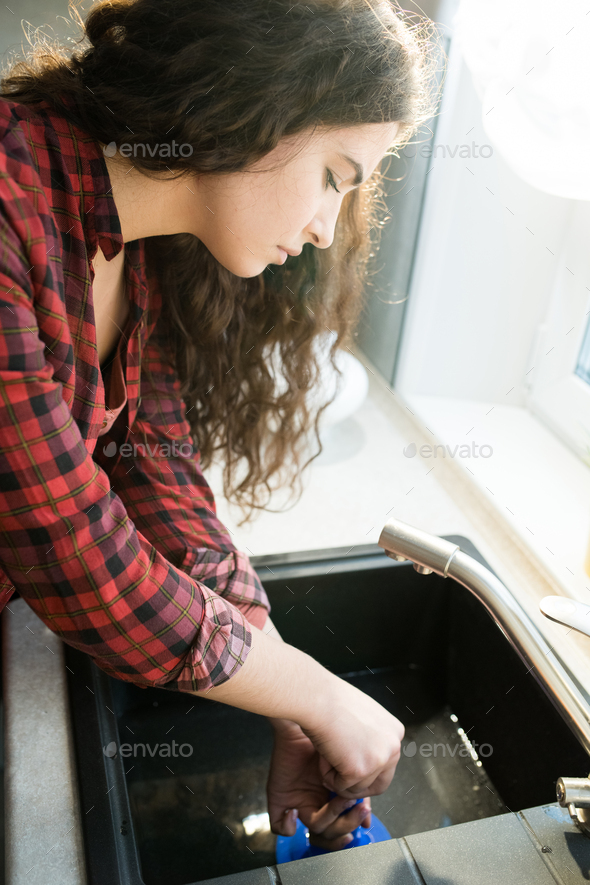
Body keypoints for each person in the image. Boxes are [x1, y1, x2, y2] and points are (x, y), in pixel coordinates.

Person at [0, 0, 440, 854]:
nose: (323, 230)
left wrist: (281, 689)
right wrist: (311, 693)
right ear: (255, 98)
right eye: (334, 176)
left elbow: (155, 469)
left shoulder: (135, 247)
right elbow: (70, 549)